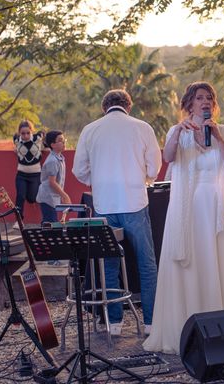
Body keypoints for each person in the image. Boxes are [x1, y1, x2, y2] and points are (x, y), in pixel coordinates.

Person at [143, 82, 224, 355]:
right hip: (185, 213)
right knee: (189, 267)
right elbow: (168, 157)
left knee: (213, 265)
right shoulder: (178, 131)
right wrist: (176, 133)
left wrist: (218, 138)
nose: (205, 101)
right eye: (199, 98)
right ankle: (184, 331)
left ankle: (218, 333)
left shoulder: (223, 131)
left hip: (214, 214)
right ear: (189, 104)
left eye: (209, 97)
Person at [73, 89, 162, 337]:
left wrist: (99, 181)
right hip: (135, 202)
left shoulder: (90, 130)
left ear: (104, 108)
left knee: (109, 266)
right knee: (147, 264)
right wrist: (142, 178)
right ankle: (151, 323)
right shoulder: (142, 127)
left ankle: (114, 324)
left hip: (104, 206)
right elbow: (154, 167)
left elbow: (79, 171)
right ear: (128, 106)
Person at [35, 130, 71, 224]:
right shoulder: (52, 161)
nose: (64, 142)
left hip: (53, 197)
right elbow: (52, 182)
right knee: (50, 223)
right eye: (60, 140)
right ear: (53, 145)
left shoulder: (60, 158)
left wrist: (61, 195)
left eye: (64, 140)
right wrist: (64, 195)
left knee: (51, 223)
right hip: (48, 197)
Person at [13, 120, 44, 220]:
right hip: (21, 174)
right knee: (20, 197)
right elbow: (16, 146)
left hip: (35, 175)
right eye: (23, 133)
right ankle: (18, 221)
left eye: (28, 133)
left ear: (31, 131)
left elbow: (45, 135)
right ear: (19, 133)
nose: (25, 136)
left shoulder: (37, 137)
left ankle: (28, 195)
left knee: (32, 198)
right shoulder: (16, 139)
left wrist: (45, 148)